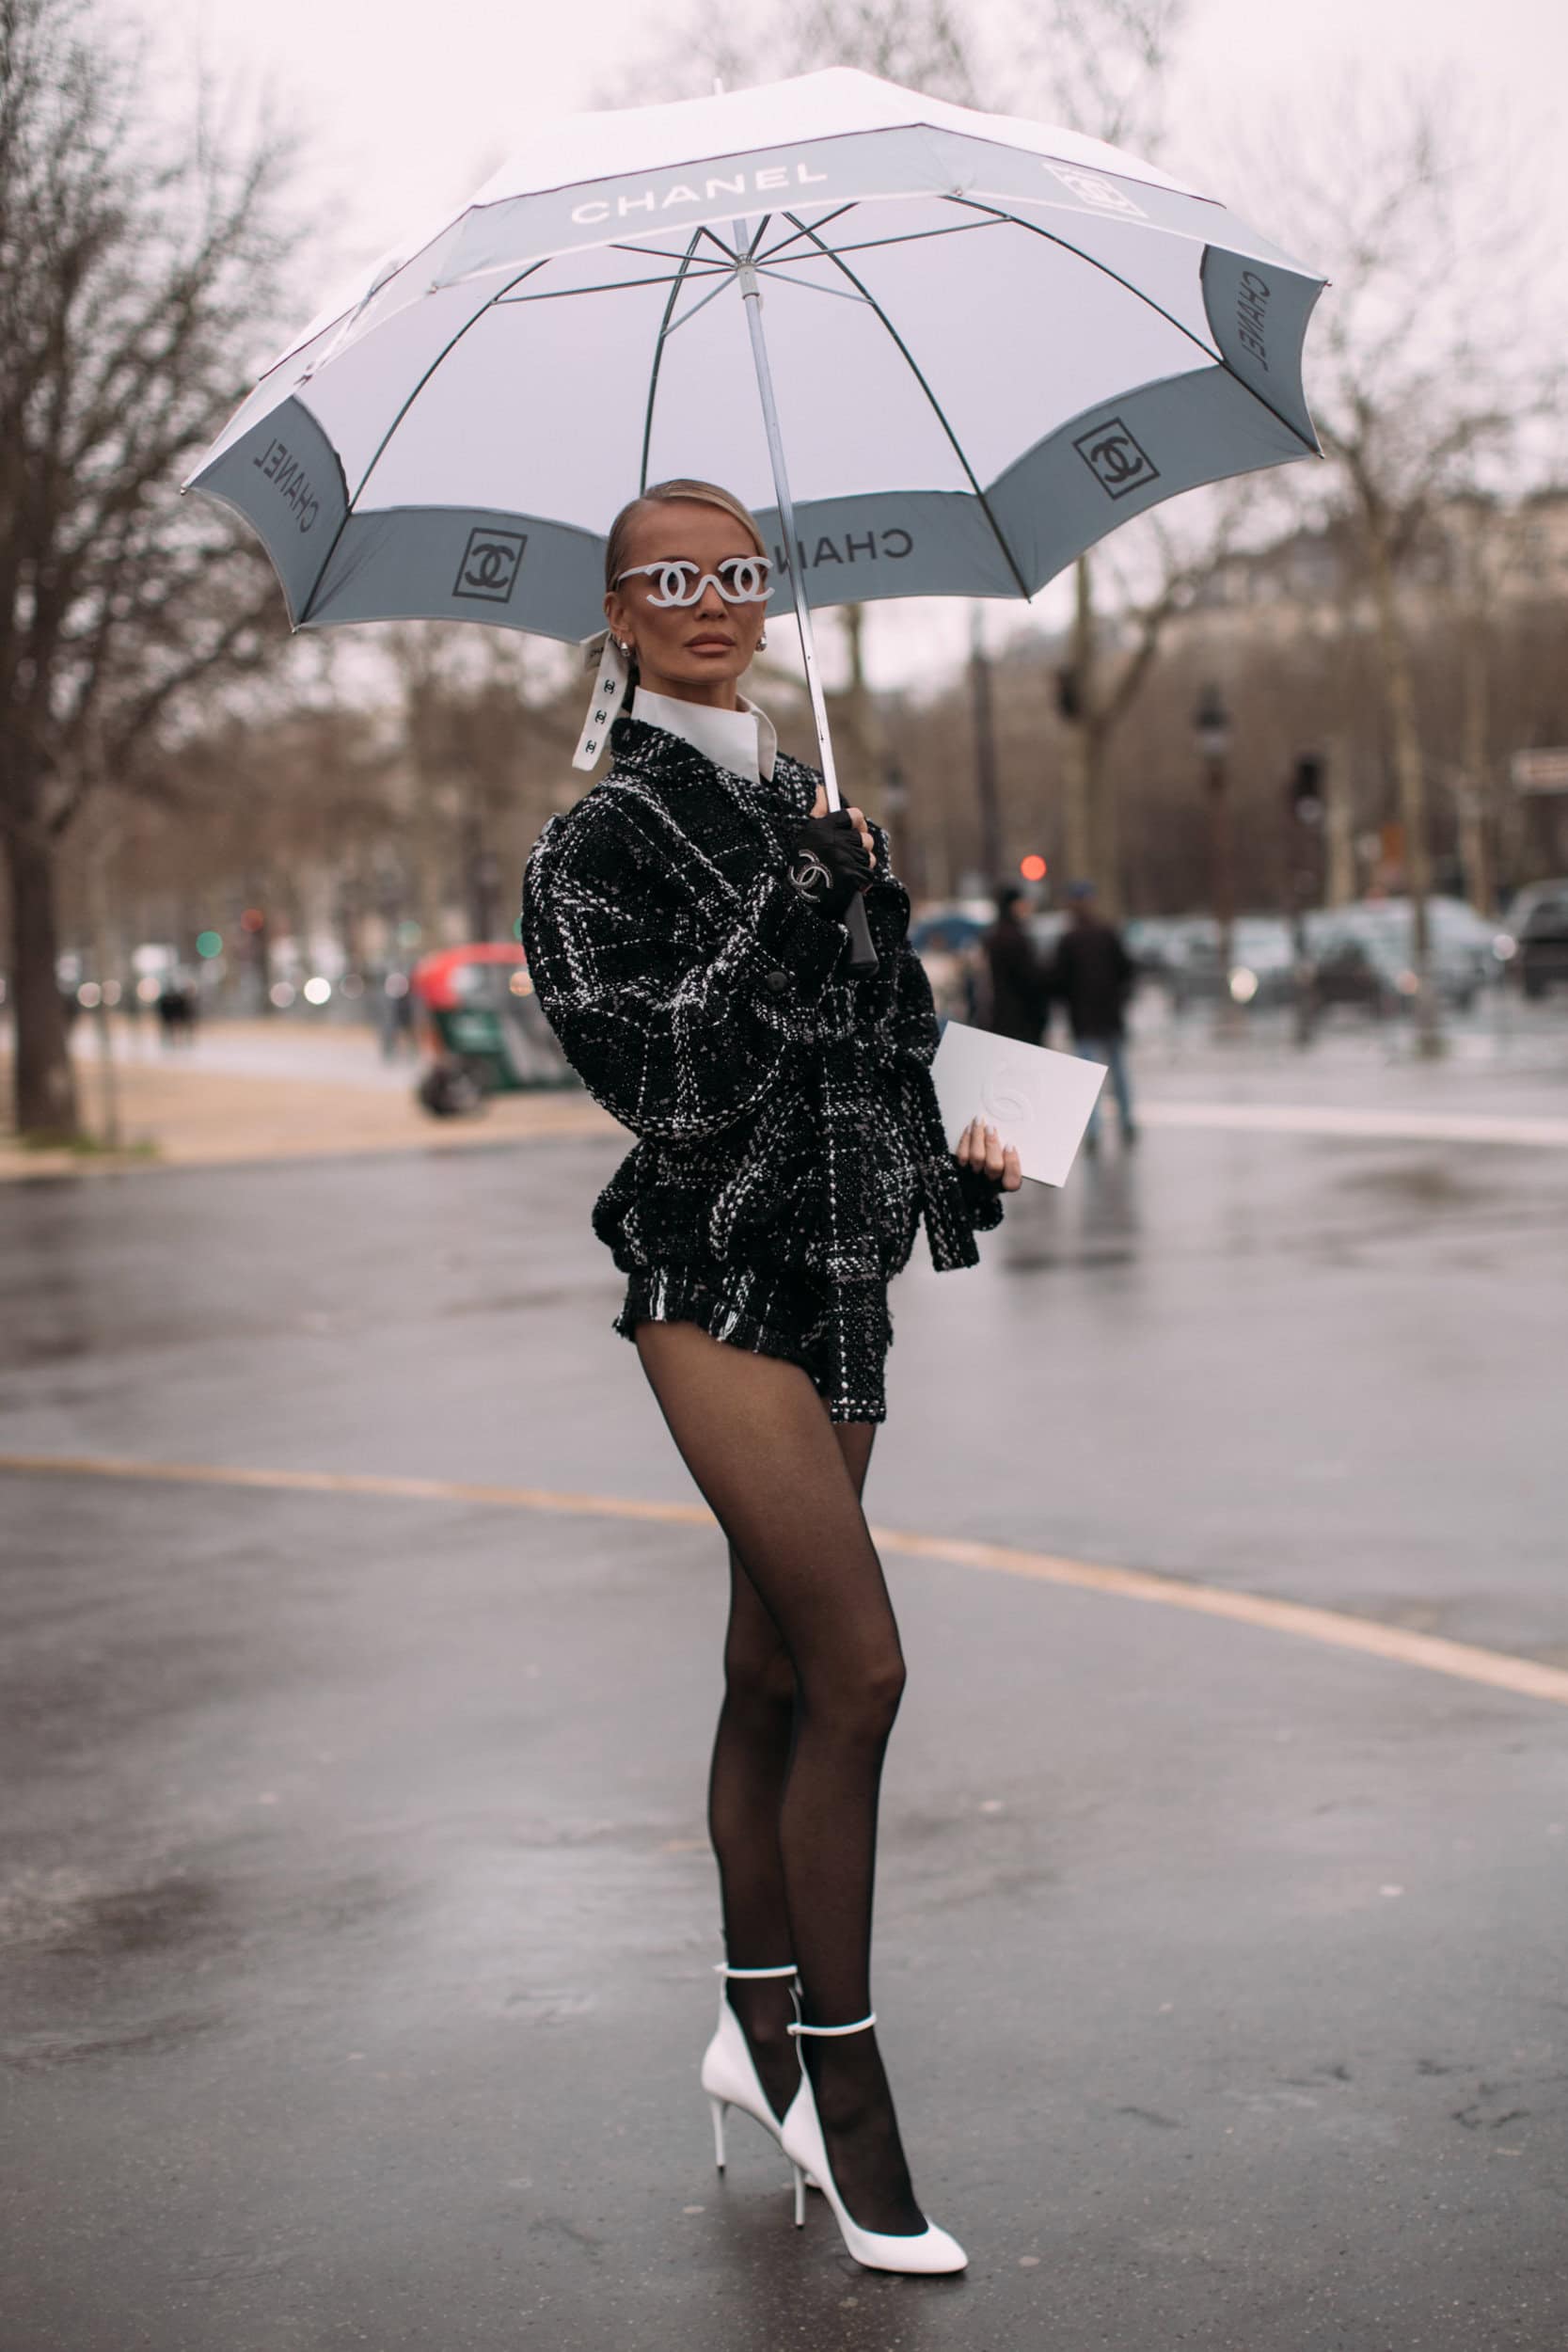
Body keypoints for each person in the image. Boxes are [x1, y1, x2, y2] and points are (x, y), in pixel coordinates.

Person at [522, 479, 1021, 2280]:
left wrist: (957, 1161)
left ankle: (745, 2024)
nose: (713, 599)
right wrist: (785, 914)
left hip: (839, 1280)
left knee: (771, 1674)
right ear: (621, 611)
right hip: (707, 1278)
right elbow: (664, 1078)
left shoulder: (819, 810)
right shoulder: (590, 854)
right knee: (862, 1669)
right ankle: (846, 2086)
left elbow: (870, 1062)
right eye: (673, 576)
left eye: (738, 569)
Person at [1050, 881, 1136, 1148]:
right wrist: (1119, 998)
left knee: (1088, 1079)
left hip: (1086, 1017)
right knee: (1117, 1073)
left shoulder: (1070, 938)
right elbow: (1127, 970)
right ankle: (1125, 1122)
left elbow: (1057, 981)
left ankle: (1095, 1131)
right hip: (1107, 1014)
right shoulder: (1105, 933)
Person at [980, 882, 1048, 1042]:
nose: (1026, 907)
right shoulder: (1013, 937)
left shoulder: (996, 934)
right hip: (1019, 1018)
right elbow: (1028, 977)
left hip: (1002, 1016)